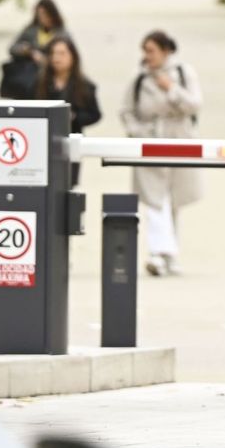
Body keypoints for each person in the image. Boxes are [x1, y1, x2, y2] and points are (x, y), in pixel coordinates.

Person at [120, 30, 203, 277]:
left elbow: (195, 104)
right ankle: (157, 253)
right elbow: (126, 111)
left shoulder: (183, 73)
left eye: (152, 51)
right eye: (145, 51)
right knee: (155, 199)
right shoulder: (139, 78)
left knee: (173, 200)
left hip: (179, 141)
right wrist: (138, 133)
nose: (148, 56)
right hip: (149, 142)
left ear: (166, 51)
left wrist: (172, 89)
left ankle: (170, 254)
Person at [37, 37, 101, 186]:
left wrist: (74, 117)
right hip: (42, 143)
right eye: (53, 53)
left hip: (70, 142)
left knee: (67, 185)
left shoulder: (84, 86)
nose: (56, 58)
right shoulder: (40, 82)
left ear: (73, 57)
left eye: (62, 53)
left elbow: (95, 114)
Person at [0, 0, 69, 99]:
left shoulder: (62, 33)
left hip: (50, 80)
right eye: (39, 14)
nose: (42, 18)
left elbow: (69, 56)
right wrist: (29, 51)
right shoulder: (31, 30)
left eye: (45, 14)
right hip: (27, 79)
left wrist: (48, 60)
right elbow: (12, 48)